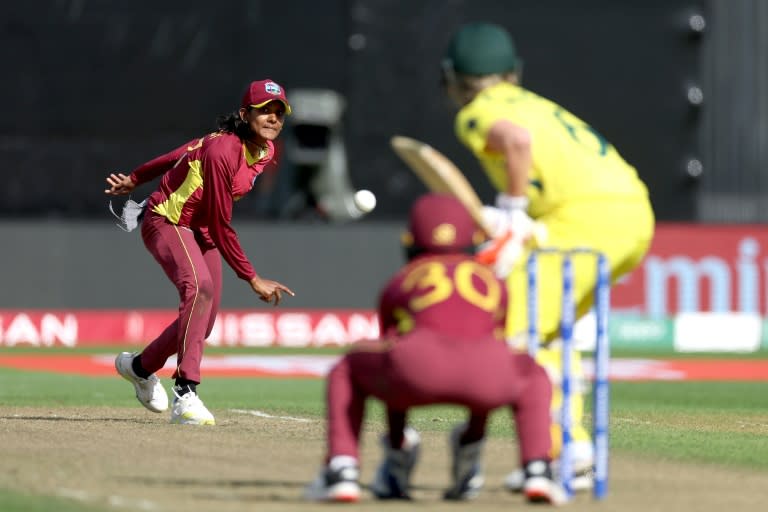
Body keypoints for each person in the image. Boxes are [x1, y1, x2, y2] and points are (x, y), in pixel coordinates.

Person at [440, 22, 656, 490]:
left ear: (453, 79)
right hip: (633, 213)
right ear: (512, 73)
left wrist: (513, 212)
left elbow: (516, 142)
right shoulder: (536, 102)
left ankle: (567, 452)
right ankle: (569, 447)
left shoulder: (477, 110)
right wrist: (522, 225)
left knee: (511, 325)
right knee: (549, 331)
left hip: (585, 219)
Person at [304, 193, 565, 505]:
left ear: (412, 238)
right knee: (533, 372)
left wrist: (398, 438)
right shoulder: (493, 281)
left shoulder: (402, 280)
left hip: (416, 371)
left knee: (346, 369)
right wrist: (473, 433)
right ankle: (537, 468)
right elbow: (488, 349)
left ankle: (343, 471)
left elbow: (393, 352)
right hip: (489, 378)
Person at [104, 79, 296, 426]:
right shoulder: (224, 149)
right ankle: (186, 394)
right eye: (264, 111)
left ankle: (139, 367)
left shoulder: (265, 152)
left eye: (279, 112)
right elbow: (223, 225)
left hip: (200, 230)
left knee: (203, 322)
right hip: (167, 220)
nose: (273, 118)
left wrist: (137, 176)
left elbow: (180, 152)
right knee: (200, 289)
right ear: (244, 114)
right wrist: (252, 278)